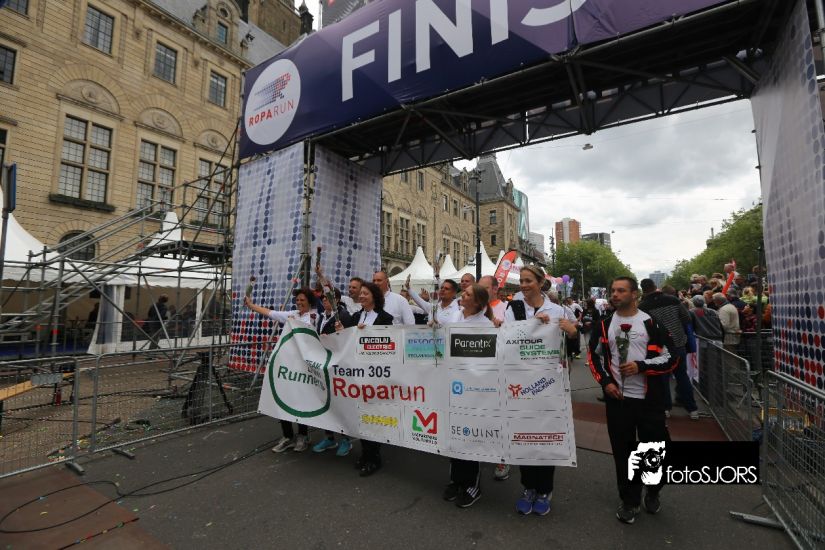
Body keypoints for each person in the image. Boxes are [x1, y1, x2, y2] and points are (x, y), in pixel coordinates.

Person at [587, 277, 677, 525]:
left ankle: (653, 490)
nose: (615, 294)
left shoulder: (651, 323)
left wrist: (642, 366)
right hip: (618, 401)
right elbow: (594, 357)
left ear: (634, 294)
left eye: (621, 290)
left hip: (650, 401)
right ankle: (630, 500)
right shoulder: (604, 325)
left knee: (655, 449)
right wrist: (606, 383)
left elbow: (672, 357)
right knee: (623, 453)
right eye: (613, 290)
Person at [505, 265, 577, 516]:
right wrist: (533, 324)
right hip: (520, 381)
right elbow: (507, 339)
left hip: (548, 383)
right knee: (523, 434)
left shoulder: (557, 310)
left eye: (528, 281)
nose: (524, 285)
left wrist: (573, 332)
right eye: (521, 281)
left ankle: (545, 489)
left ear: (540, 282)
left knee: (546, 435)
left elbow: (570, 343)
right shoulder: (513, 308)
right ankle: (528, 487)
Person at [245, 288, 317, 453]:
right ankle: (287, 436)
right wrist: (251, 305)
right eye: (297, 300)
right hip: (288, 366)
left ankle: (303, 436)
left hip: (304, 368)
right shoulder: (293, 314)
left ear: (309, 302)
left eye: (302, 300)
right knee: (284, 398)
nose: (299, 302)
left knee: (301, 401)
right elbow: (271, 313)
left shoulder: (314, 316)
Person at [442, 283, 494, 507]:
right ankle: (456, 480)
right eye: (464, 292)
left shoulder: (486, 325)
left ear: (478, 302)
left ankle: (472, 484)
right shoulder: (455, 315)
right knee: (454, 434)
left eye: (468, 294)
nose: (463, 294)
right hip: (453, 386)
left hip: (473, 391)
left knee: (471, 437)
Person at [338, 282, 394, 476]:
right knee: (361, 416)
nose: (361, 296)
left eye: (365, 293)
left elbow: (390, 345)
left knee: (373, 417)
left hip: (375, 376)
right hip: (357, 375)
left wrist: (368, 334)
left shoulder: (385, 318)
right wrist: (342, 330)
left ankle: (374, 457)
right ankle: (365, 453)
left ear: (374, 296)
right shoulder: (356, 316)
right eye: (360, 293)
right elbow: (347, 341)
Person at [639, 279, 698, 420]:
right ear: (655, 286)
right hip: (678, 344)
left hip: (659, 347)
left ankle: (665, 408)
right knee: (682, 376)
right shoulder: (673, 300)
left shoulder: (643, 306)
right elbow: (687, 319)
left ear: (643, 290)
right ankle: (692, 409)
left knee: (662, 379)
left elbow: (643, 327)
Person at [313, 291, 353, 456]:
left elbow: (347, 338)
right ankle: (329, 437)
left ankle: (346, 439)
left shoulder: (343, 315)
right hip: (325, 363)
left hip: (339, 365)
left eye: (327, 298)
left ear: (336, 300)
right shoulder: (322, 316)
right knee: (326, 401)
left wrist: (330, 337)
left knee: (340, 403)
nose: (324, 301)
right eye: (323, 298)